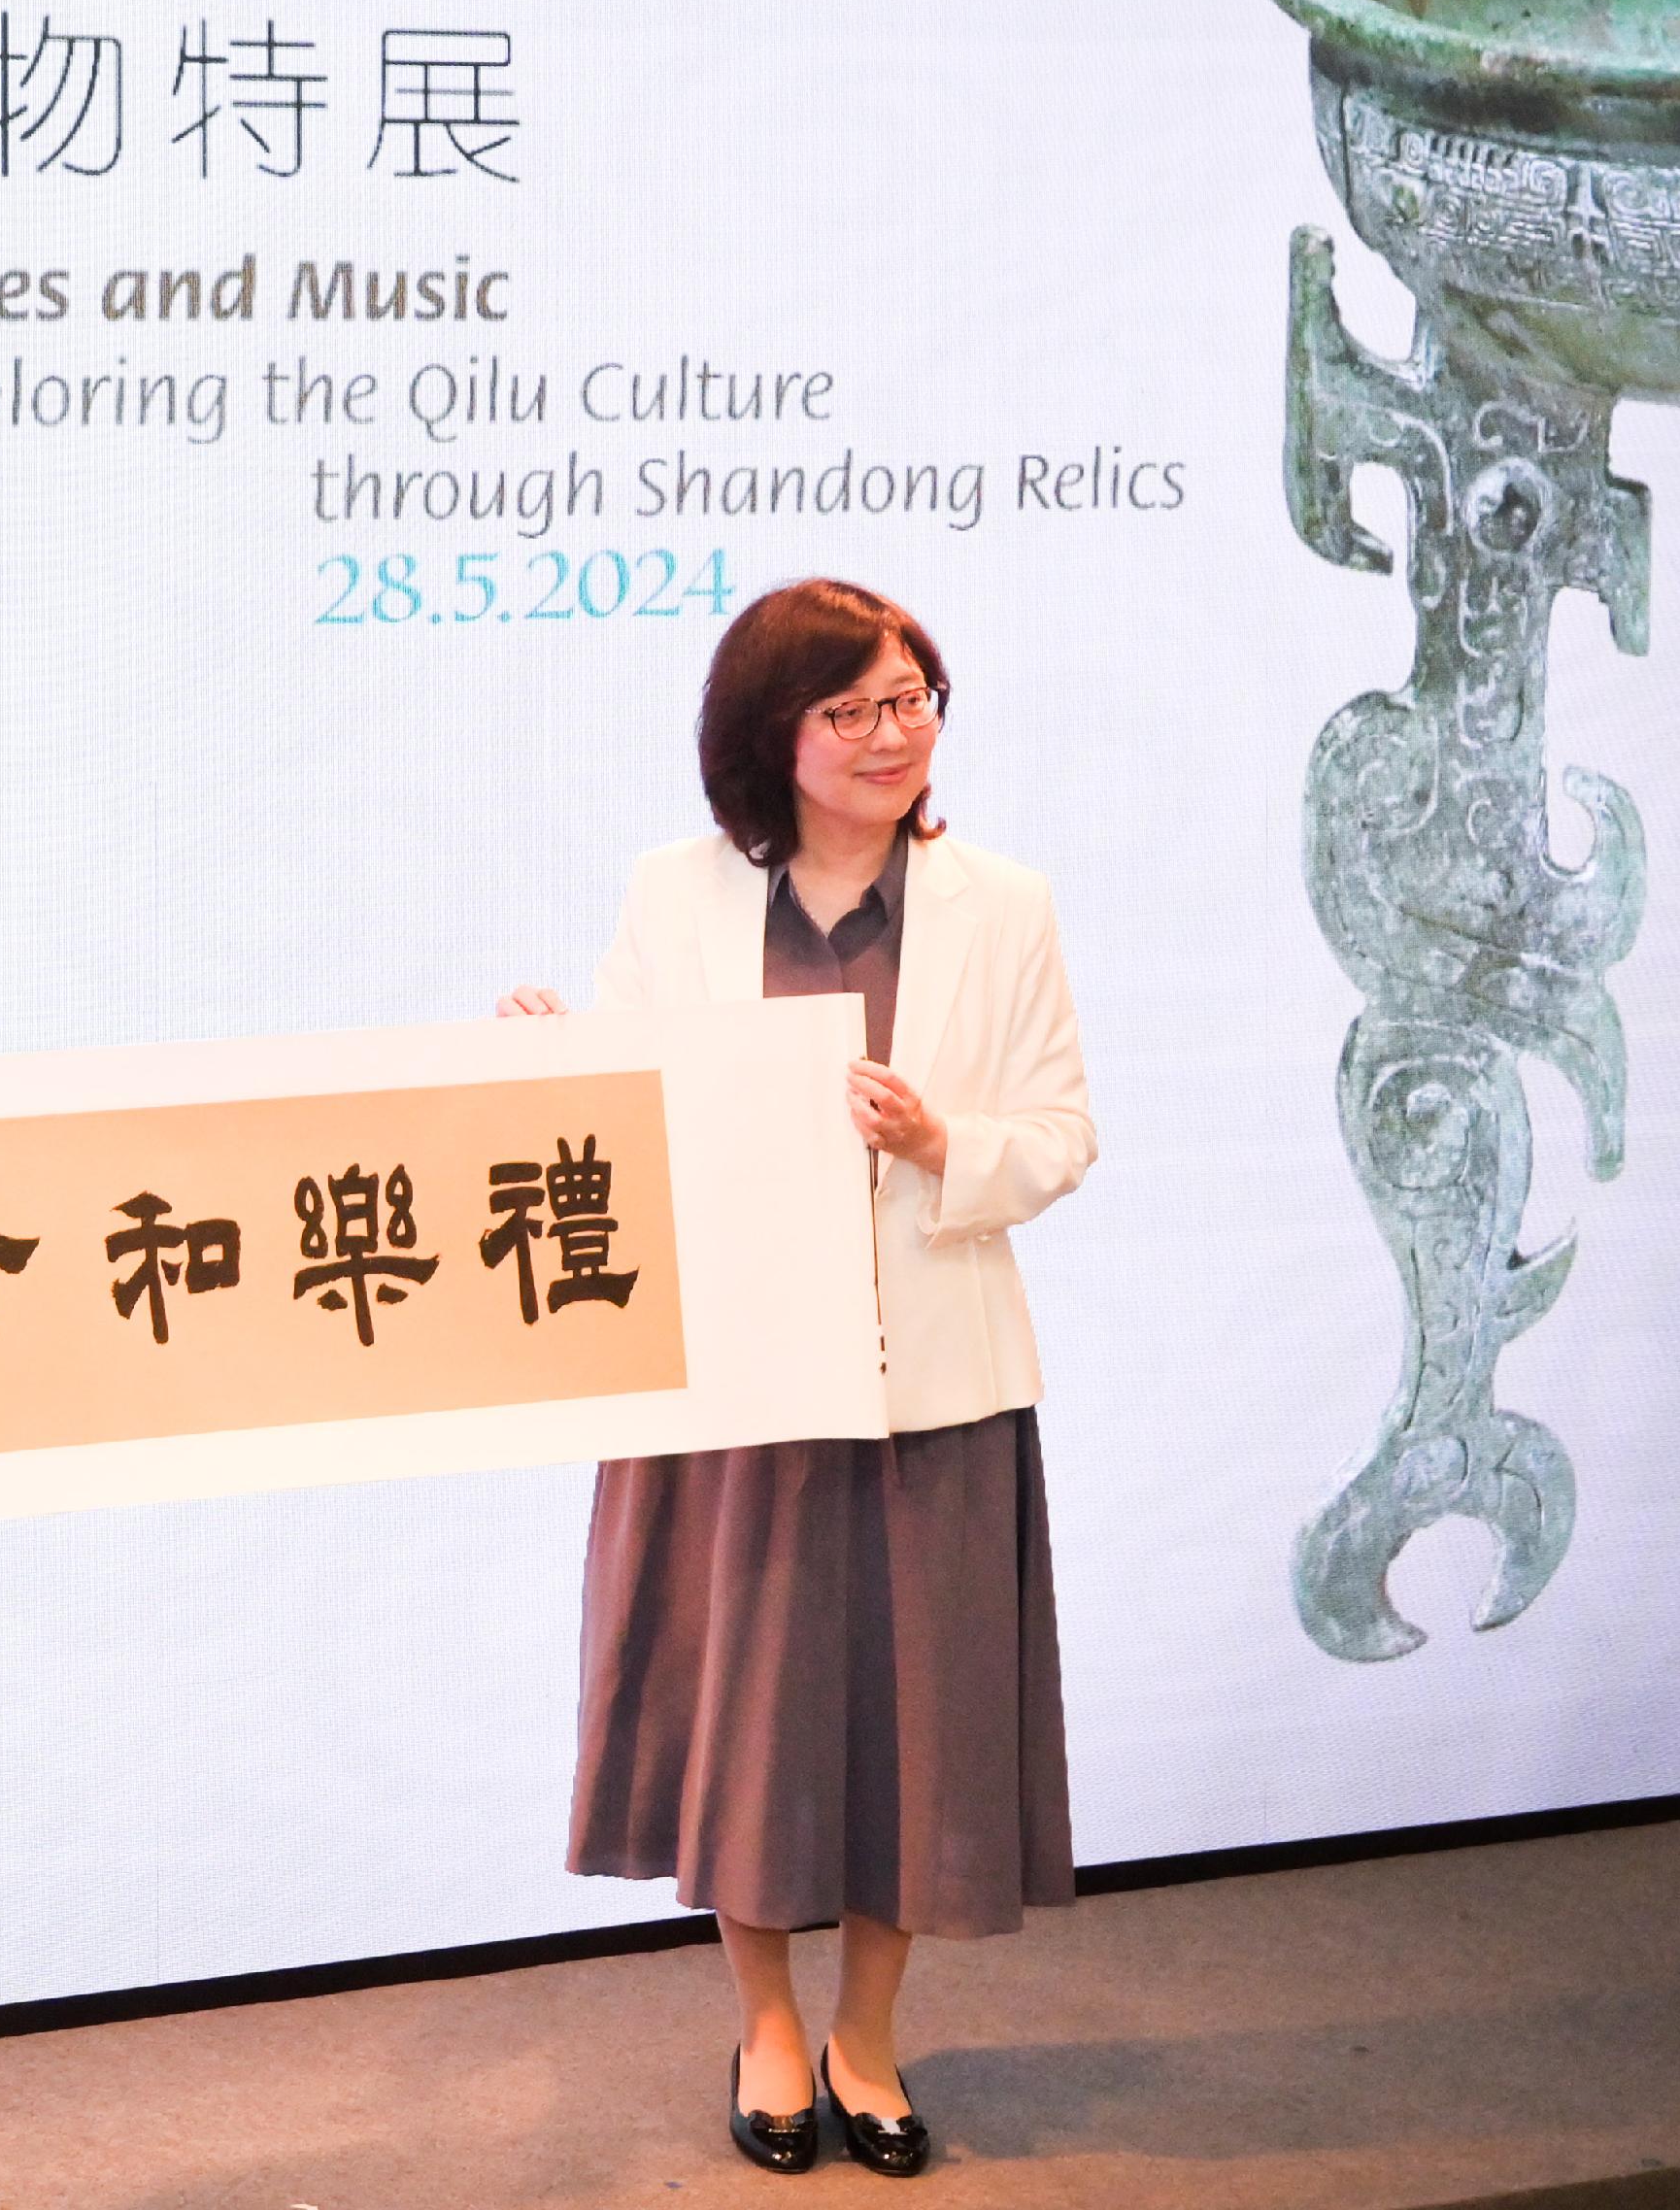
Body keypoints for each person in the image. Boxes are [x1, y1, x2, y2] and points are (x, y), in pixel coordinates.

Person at [500, 578, 1093, 2180]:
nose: (895, 735)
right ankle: (768, 2024)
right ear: (777, 736)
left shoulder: (1002, 903)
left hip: (932, 1389)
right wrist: (550, 1056)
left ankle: (869, 2037)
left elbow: (1061, 1134)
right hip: (745, 1383)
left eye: (915, 700)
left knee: (922, 1727)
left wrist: (940, 1144)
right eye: (855, 710)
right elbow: (627, 1117)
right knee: (752, 1723)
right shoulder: (677, 895)